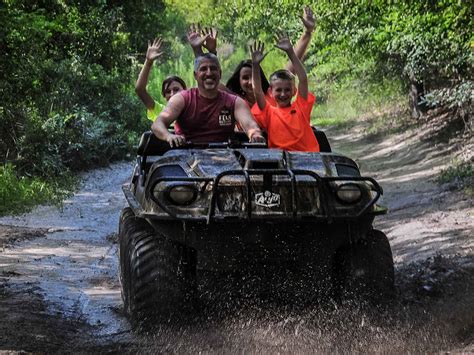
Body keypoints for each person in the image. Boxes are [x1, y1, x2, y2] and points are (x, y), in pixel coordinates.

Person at [151, 53, 266, 147]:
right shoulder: (182, 98)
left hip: (225, 156)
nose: (209, 73)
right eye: (203, 69)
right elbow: (158, 124)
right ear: (196, 75)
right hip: (186, 156)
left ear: (220, 74)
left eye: (213, 69)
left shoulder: (235, 102)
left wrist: (255, 135)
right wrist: (169, 136)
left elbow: (250, 126)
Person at [226, 6, 316, 108]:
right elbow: (212, 83)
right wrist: (211, 52)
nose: (251, 82)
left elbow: (293, 68)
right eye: (245, 78)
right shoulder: (234, 100)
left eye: (254, 76)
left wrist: (307, 32)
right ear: (238, 81)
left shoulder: (272, 94)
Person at [250, 34, 320, 152]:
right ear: (270, 92)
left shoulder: (301, 108)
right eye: (278, 90)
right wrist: (255, 65)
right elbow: (257, 91)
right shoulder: (269, 112)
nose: (283, 94)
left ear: (294, 91)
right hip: (280, 161)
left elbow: (303, 79)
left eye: (287, 90)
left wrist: (291, 52)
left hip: (307, 158)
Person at [135, 37, 187, 123]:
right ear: (164, 96)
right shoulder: (160, 111)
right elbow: (140, 90)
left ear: (185, 91)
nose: (172, 94)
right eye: (168, 91)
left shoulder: (194, 112)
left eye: (176, 89)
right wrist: (148, 62)